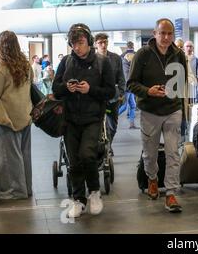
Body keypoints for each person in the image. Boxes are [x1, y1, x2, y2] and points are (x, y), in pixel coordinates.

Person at [52, 23, 115, 218]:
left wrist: (90, 90)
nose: (76, 47)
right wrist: (66, 88)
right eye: (73, 44)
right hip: (70, 119)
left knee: (87, 155)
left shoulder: (103, 63)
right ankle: (78, 200)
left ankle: (94, 192)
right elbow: (55, 88)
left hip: (93, 118)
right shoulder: (66, 62)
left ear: (88, 41)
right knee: (73, 161)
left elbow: (111, 92)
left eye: (79, 42)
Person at [127, 18, 187, 213]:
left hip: (173, 110)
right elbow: (131, 84)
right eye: (162, 33)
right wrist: (148, 91)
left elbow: (182, 82)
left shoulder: (179, 54)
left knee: (173, 153)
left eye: (170, 33)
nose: (166, 37)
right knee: (150, 153)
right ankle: (152, 178)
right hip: (150, 111)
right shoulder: (142, 55)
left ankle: (170, 193)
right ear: (154, 33)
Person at [0, 31, 33, 199]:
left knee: (8, 157)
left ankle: (13, 192)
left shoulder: (0, 67)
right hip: (25, 114)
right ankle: (27, 188)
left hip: (7, 118)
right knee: (24, 155)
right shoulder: (26, 65)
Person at [94, 33, 126, 156]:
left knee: (112, 126)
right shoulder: (92, 59)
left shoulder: (116, 58)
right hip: (97, 98)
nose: (103, 44)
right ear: (95, 44)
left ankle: (109, 144)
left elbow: (121, 77)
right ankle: (102, 148)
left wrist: (122, 93)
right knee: (97, 125)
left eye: (105, 42)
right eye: (100, 42)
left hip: (113, 98)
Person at [120, 41, 138, 129]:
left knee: (132, 105)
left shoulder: (121, 56)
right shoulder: (136, 55)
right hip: (131, 84)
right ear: (133, 46)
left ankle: (132, 124)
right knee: (124, 106)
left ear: (127, 47)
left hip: (126, 83)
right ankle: (110, 117)